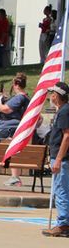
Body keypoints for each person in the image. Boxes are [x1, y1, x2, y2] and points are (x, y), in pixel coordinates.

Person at [43, 82, 69, 237]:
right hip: (61, 157)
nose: (50, 96)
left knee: (61, 191)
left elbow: (67, 136)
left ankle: (63, 224)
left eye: (52, 93)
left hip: (63, 159)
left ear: (57, 95)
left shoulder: (65, 111)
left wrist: (58, 159)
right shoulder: (63, 111)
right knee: (63, 190)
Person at [0, 73, 30, 186]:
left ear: (16, 85)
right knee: (15, 151)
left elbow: (6, 109)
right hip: (19, 129)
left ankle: (15, 177)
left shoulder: (19, 97)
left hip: (11, 129)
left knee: (12, 152)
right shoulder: (27, 98)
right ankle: (15, 177)